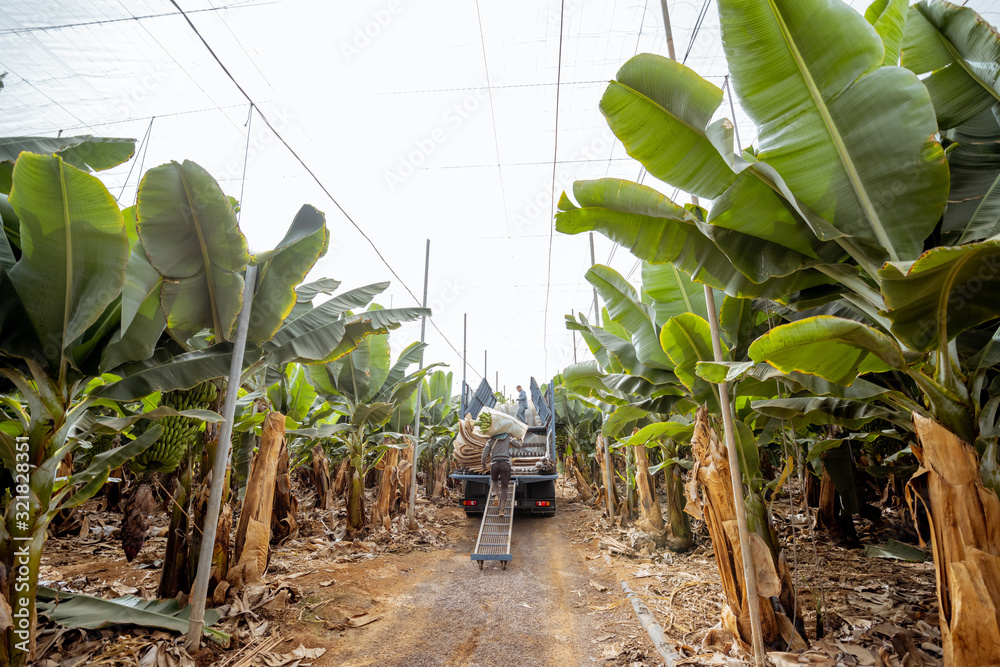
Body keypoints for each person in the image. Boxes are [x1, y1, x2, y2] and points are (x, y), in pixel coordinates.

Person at [481, 433, 524, 516]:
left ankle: (496, 495)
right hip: (505, 464)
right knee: (504, 487)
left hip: (494, 464)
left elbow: (484, 455)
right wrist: (520, 439)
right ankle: (501, 510)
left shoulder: (490, 440)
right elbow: (518, 445)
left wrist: (483, 465)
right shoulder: (508, 438)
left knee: (494, 480)